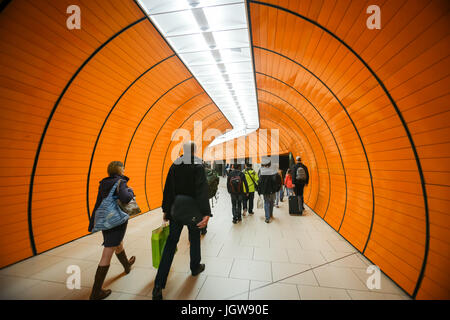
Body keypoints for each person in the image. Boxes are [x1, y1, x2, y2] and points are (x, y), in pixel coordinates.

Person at [152, 142, 211, 300]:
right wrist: (206, 213)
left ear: (182, 151)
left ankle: (158, 285)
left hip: (176, 209)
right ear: (194, 151)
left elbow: (168, 189)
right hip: (193, 210)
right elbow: (201, 190)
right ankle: (195, 267)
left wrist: (166, 210)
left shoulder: (174, 165)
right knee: (194, 238)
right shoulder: (198, 165)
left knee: (171, 244)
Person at [87, 161, 136, 300]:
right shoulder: (120, 181)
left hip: (106, 220)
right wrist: (130, 190)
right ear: (119, 169)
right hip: (117, 221)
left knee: (116, 243)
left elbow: (98, 203)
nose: (124, 170)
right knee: (107, 252)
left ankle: (127, 265)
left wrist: (93, 222)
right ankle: (96, 292)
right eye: (123, 168)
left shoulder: (104, 183)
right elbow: (126, 198)